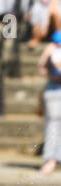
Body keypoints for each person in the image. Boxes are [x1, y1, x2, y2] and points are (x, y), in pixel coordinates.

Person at [38, 29, 61, 174]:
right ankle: (51, 159)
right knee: (53, 124)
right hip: (54, 89)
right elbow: (40, 69)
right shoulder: (54, 46)